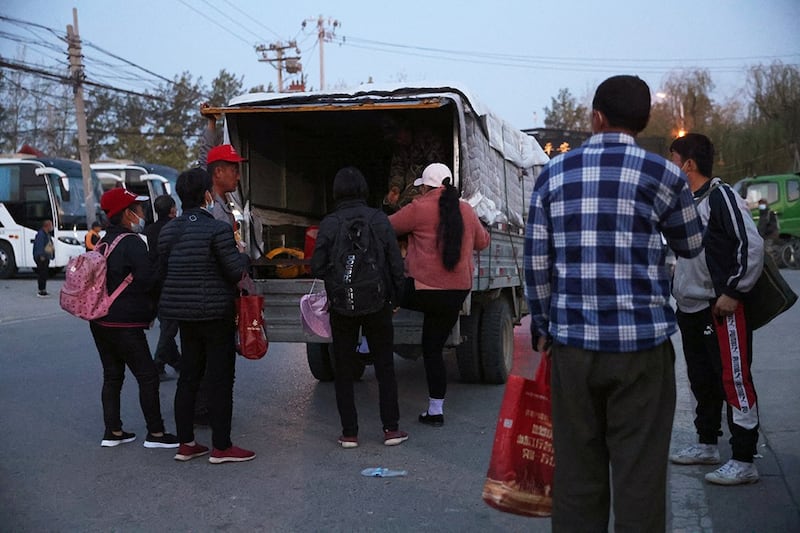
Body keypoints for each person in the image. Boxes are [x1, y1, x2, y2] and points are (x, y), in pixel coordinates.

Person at [524, 75, 705, 531]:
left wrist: (544, 326)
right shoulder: (665, 174)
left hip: (573, 350)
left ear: (596, 118)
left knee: (576, 476)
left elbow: (536, 265)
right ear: (643, 123)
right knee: (639, 478)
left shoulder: (553, 174)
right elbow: (691, 245)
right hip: (642, 352)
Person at [669, 133, 765, 485]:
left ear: (688, 164)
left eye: (673, 159)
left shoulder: (721, 196)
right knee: (702, 379)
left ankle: (743, 459)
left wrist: (733, 292)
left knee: (733, 378)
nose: (671, 167)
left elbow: (751, 246)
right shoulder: (683, 203)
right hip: (690, 307)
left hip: (720, 307)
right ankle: (707, 443)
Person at [158, 167, 254, 464]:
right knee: (220, 378)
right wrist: (243, 256)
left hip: (183, 316)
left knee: (189, 377)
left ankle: (186, 443)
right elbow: (234, 270)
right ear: (206, 195)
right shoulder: (217, 229)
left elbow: (163, 271)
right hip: (215, 314)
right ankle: (221, 447)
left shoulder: (169, 231)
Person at [311, 166, 408, 448]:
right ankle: (390, 429)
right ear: (364, 190)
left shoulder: (329, 223)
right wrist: (396, 298)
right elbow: (395, 264)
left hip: (342, 304)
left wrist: (338, 277)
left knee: (343, 368)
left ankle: (349, 433)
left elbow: (317, 265)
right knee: (385, 366)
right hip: (377, 301)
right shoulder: (379, 219)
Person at [389, 163, 490, 427]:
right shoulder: (466, 210)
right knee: (432, 348)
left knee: (386, 291)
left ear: (425, 186)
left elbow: (387, 227)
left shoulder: (418, 208)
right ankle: (435, 411)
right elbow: (483, 242)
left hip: (423, 291)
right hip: (455, 293)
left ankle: (365, 343)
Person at [90, 188, 179, 449]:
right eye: (137, 208)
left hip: (99, 321)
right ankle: (156, 434)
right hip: (124, 323)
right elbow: (148, 279)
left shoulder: (103, 242)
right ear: (127, 214)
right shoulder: (132, 243)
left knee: (112, 375)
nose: (142, 213)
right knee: (148, 376)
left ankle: (113, 431)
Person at [144, 194, 180, 379]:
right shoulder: (176, 228)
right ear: (173, 210)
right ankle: (157, 364)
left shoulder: (150, 230)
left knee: (167, 324)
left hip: (155, 281)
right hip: (172, 280)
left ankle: (177, 362)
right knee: (170, 327)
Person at [382, 120, 445, 213]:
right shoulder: (400, 147)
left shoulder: (428, 141)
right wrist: (395, 187)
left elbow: (434, 172)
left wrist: (422, 192)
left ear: (406, 129)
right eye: (395, 138)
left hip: (428, 187)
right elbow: (398, 169)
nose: (398, 140)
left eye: (398, 135)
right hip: (409, 190)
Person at [32, 219, 54, 297]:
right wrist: (41, 255)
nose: (52, 227)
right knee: (42, 273)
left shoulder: (46, 234)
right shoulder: (41, 234)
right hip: (41, 257)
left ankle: (43, 289)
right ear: (47, 226)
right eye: (51, 225)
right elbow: (39, 245)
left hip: (45, 256)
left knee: (44, 273)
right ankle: (41, 290)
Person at [757, 198, 780, 263]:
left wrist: (765, 232)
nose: (761, 206)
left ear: (766, 204)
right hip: (763, 236)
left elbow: (773, 225)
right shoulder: (762, 214)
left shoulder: (770, 213)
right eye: (760, 204)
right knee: (764, 252)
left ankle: (772, 265)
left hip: (769, 235)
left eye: (762, 204)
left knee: (768, 251)